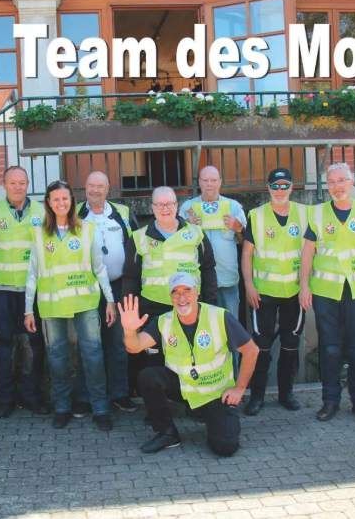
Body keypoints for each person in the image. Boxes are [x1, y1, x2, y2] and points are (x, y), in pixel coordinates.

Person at [118, 273, 259, 456]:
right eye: (175, 292)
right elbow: (134, 346)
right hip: (185, 388)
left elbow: (251, 350)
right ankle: (167, 433)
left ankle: (208, 417)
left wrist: (239, 389)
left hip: (215, 393)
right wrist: (129, 331)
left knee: (225, 447)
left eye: (187, 290)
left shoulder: (219, 316)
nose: (181, 297)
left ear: (197, 292)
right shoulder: (164, 321)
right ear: (170, 297)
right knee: (148, 376)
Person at [23, 180, 117, 431]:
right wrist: (28, 309)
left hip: (85, 302)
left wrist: (110, 300)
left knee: (93, 355)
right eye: (56, 199)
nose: (61, 203)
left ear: (72, 201)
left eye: (65, 198)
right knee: (57, 358)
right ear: (48, 203)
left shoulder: (87, 229)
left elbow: (99, 267)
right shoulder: (39, 233)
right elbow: (32, 273)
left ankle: (100, 408)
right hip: (52, 305)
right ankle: (62, 407)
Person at [299, 162, 355, 423]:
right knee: (330, 348)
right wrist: (304, 286)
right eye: (332, 182)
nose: (337, 186)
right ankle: (330, 401)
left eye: (341, 180)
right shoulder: (317, 213)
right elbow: (307, 252)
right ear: (327, 186)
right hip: (325, 291)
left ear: (351, 182)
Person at [123, 186, 217, 383]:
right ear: (152, 207)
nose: (164, 208)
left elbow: (208, 271)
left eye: (169, 204)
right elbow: (130, 278)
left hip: (189, 308)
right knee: (152, 362)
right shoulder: (138, 238)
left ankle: (191, 398)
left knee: (190, 358)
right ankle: (156, 401)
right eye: (159, 204)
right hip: (152, 310)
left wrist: (210, 306)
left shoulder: (196, 234)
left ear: (176, 205)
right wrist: (131, 312)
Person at [72, 171, 139, 417]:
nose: (95, 190)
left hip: (119, 287)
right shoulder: (75, 213)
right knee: (88, 344)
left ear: (108, 188)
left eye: (100, 186)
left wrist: (133, 284)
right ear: (85, 187)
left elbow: (137, 245)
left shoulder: (123, 212)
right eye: (91, 185)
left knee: (118, 342)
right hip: (87, 287)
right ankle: (83, 397)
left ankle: (119, 394)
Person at [241, 168, 307, 416]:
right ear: (268, 188)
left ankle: (286, 394)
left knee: (290, 344)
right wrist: (249, 285)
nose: (280, 190)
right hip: (263, 293)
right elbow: (247, 254)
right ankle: (257, 396)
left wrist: (307, 286)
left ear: (291, 187)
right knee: (261, 345)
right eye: (275, 186)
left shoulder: (305, 213)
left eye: (284, 185)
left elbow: (311, 251)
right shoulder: (257, 215)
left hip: (294, 292)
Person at [0, 166, 48, 418]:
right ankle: (5, 399)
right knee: (5, 344)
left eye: (22, 182)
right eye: (13, 182)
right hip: (2, 289)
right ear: (4, 185)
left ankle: (32, 396)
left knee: (33, 343)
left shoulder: (41, 211)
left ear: (28, 184)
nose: (18, 187)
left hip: (33, 289)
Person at [179, 165, 246, 318]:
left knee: (230, 324)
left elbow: (246, 243)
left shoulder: (233, 207)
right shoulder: (187, 208)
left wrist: (238, 228)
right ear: (199, 182)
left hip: (227, 279)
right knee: (204, 326)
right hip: (197, 282)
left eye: (213, 180)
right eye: (205, 180)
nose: (209, 184)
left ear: (220, 182)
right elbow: (176, 244)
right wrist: (187, 226)